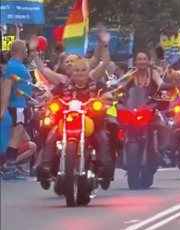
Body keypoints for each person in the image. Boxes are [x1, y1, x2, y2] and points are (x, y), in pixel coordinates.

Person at [38, 59, 115, 184]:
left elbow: (106, 94)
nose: (80, 73)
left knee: (102, 137)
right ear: (71, 72)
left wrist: (107, 98)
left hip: (91, 124)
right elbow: (51, 94)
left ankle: (104, 168)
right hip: (66, 123)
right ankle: (46, 167)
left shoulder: (96, 85)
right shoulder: (64, 86)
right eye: (77, 70)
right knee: (51, 136)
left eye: (83, 70)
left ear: (88, 71)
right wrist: (47, 97)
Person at [0, 40, 33, 181]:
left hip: (21, 105)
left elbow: (22, 88)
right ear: (23, 50)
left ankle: (10, 168)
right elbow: (6, 88)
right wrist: (2, 109)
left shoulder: (16, 66)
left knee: (19, 136)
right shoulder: (14, 66)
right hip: (17, 106)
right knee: (16, 135)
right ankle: (9, 170)